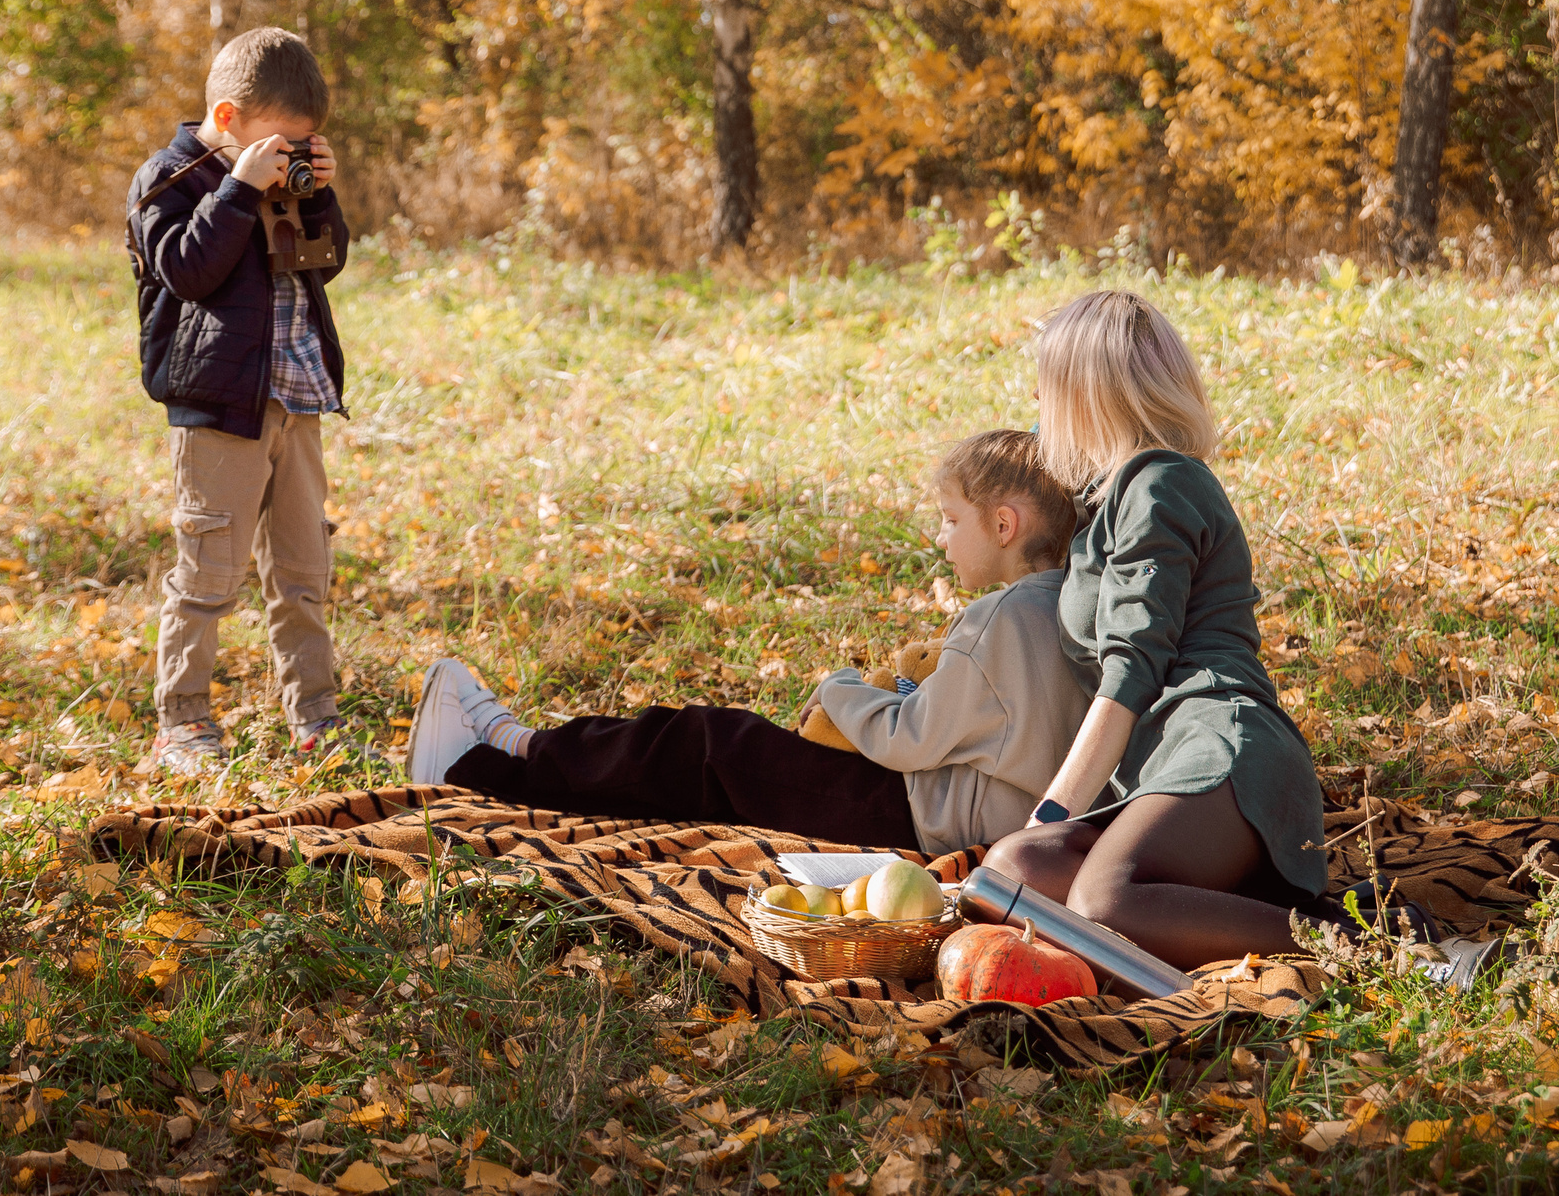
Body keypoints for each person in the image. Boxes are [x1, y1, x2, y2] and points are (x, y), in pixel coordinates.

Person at [407, 431, 1093, 854]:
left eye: (951, 520)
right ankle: (521, 751)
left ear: (1003, 524)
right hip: (954, 814)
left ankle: (484, 761)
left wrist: (841, 688)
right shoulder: (1069, 606)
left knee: (707, 744)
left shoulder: (999, 618)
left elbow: (911, 737)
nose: (941, 538)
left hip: (907, 818)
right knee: (721, 766)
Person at [980, 290, 1328, 967]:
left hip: (1219, 743)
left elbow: (1130, 673)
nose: (1038, 399)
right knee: (1013, 870)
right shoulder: (1112, 497)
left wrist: (1053, 810)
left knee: (1102, 903)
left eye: (1047, 383)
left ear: (1085, 391)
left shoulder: (1161, 483)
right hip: (1161, 763)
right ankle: (1223, 929)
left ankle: (1376, 945)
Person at [126, 27, 351, 773]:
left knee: (302, 570)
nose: (289, 156)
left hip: (298, 397)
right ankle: (183, 721)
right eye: (280, 144)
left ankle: (316, 714)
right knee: (208, 574)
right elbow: (189, 271)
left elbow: (326, 262)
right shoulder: (170, 179)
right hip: (219, 407)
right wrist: (238, 187)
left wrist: (319, 195)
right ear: (228, 120)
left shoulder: (283, 175)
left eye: (303, 144)